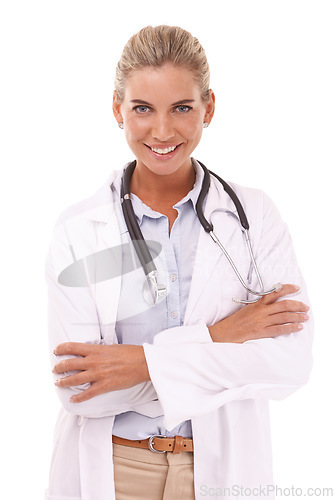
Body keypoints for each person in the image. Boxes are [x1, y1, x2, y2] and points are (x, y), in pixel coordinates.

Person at [45, 25, 313, 500]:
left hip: (221, 471)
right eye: (142, 109)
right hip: (114, 466)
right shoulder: (78, 230)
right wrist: (219, 339)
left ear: (209, 107)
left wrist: (137, 364)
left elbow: (287, 364)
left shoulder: (254, 217)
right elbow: (80, 389)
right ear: (117, 109)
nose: (162, 131)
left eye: (182, 108)